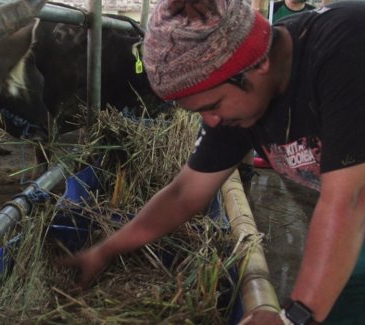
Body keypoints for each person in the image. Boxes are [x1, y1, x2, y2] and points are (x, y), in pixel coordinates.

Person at [58, 0, 365, 324]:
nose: (212, 121)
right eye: (201, 111)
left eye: (213, 105)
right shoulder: (239, 102)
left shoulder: (346, 43)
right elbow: (184, 194)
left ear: (256, 63)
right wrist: (105, 250)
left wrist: (295, 315)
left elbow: (350, 200)